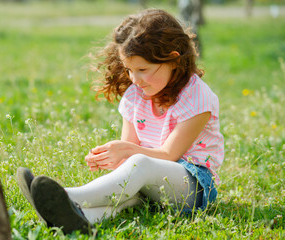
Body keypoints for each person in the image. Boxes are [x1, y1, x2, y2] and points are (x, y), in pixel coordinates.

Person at [17, 8, 224, 234]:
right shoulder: (135, 95)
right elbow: (129, 159)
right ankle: (77, 218)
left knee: (141, 164)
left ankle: (66, 196)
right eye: (129, 69)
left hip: (192, 187)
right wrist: (111, 157)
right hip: (151, 182)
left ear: (173, 60)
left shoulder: (197, 97)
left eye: (143, 69)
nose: (135, 79)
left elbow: (168, 156)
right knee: (126, 195)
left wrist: (127, 151)